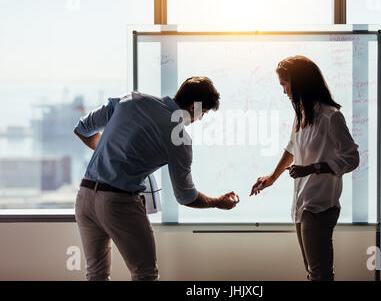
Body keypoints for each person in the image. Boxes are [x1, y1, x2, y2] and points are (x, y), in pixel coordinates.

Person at [74, 76, 239, 281]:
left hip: (85, 195)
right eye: (203, 112)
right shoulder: (179, 138)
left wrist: (113, 153)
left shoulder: (132, 99)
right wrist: (217, 202)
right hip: (119, 202)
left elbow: (82, 128)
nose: (201, 118)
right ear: (192, 107)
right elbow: (186, 196)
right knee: (145, 274)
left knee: (96, 274)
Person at [250, 56, 360, 281]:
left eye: (285, 84)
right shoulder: (302, 113)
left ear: (299, 82)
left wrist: (313, 168)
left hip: (320, 206)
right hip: (302, 203)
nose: (284, 91)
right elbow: (292, 148)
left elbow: (352, 158)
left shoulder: (332, 116)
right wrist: (272, 177)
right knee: (312, 270)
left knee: (319, 273)